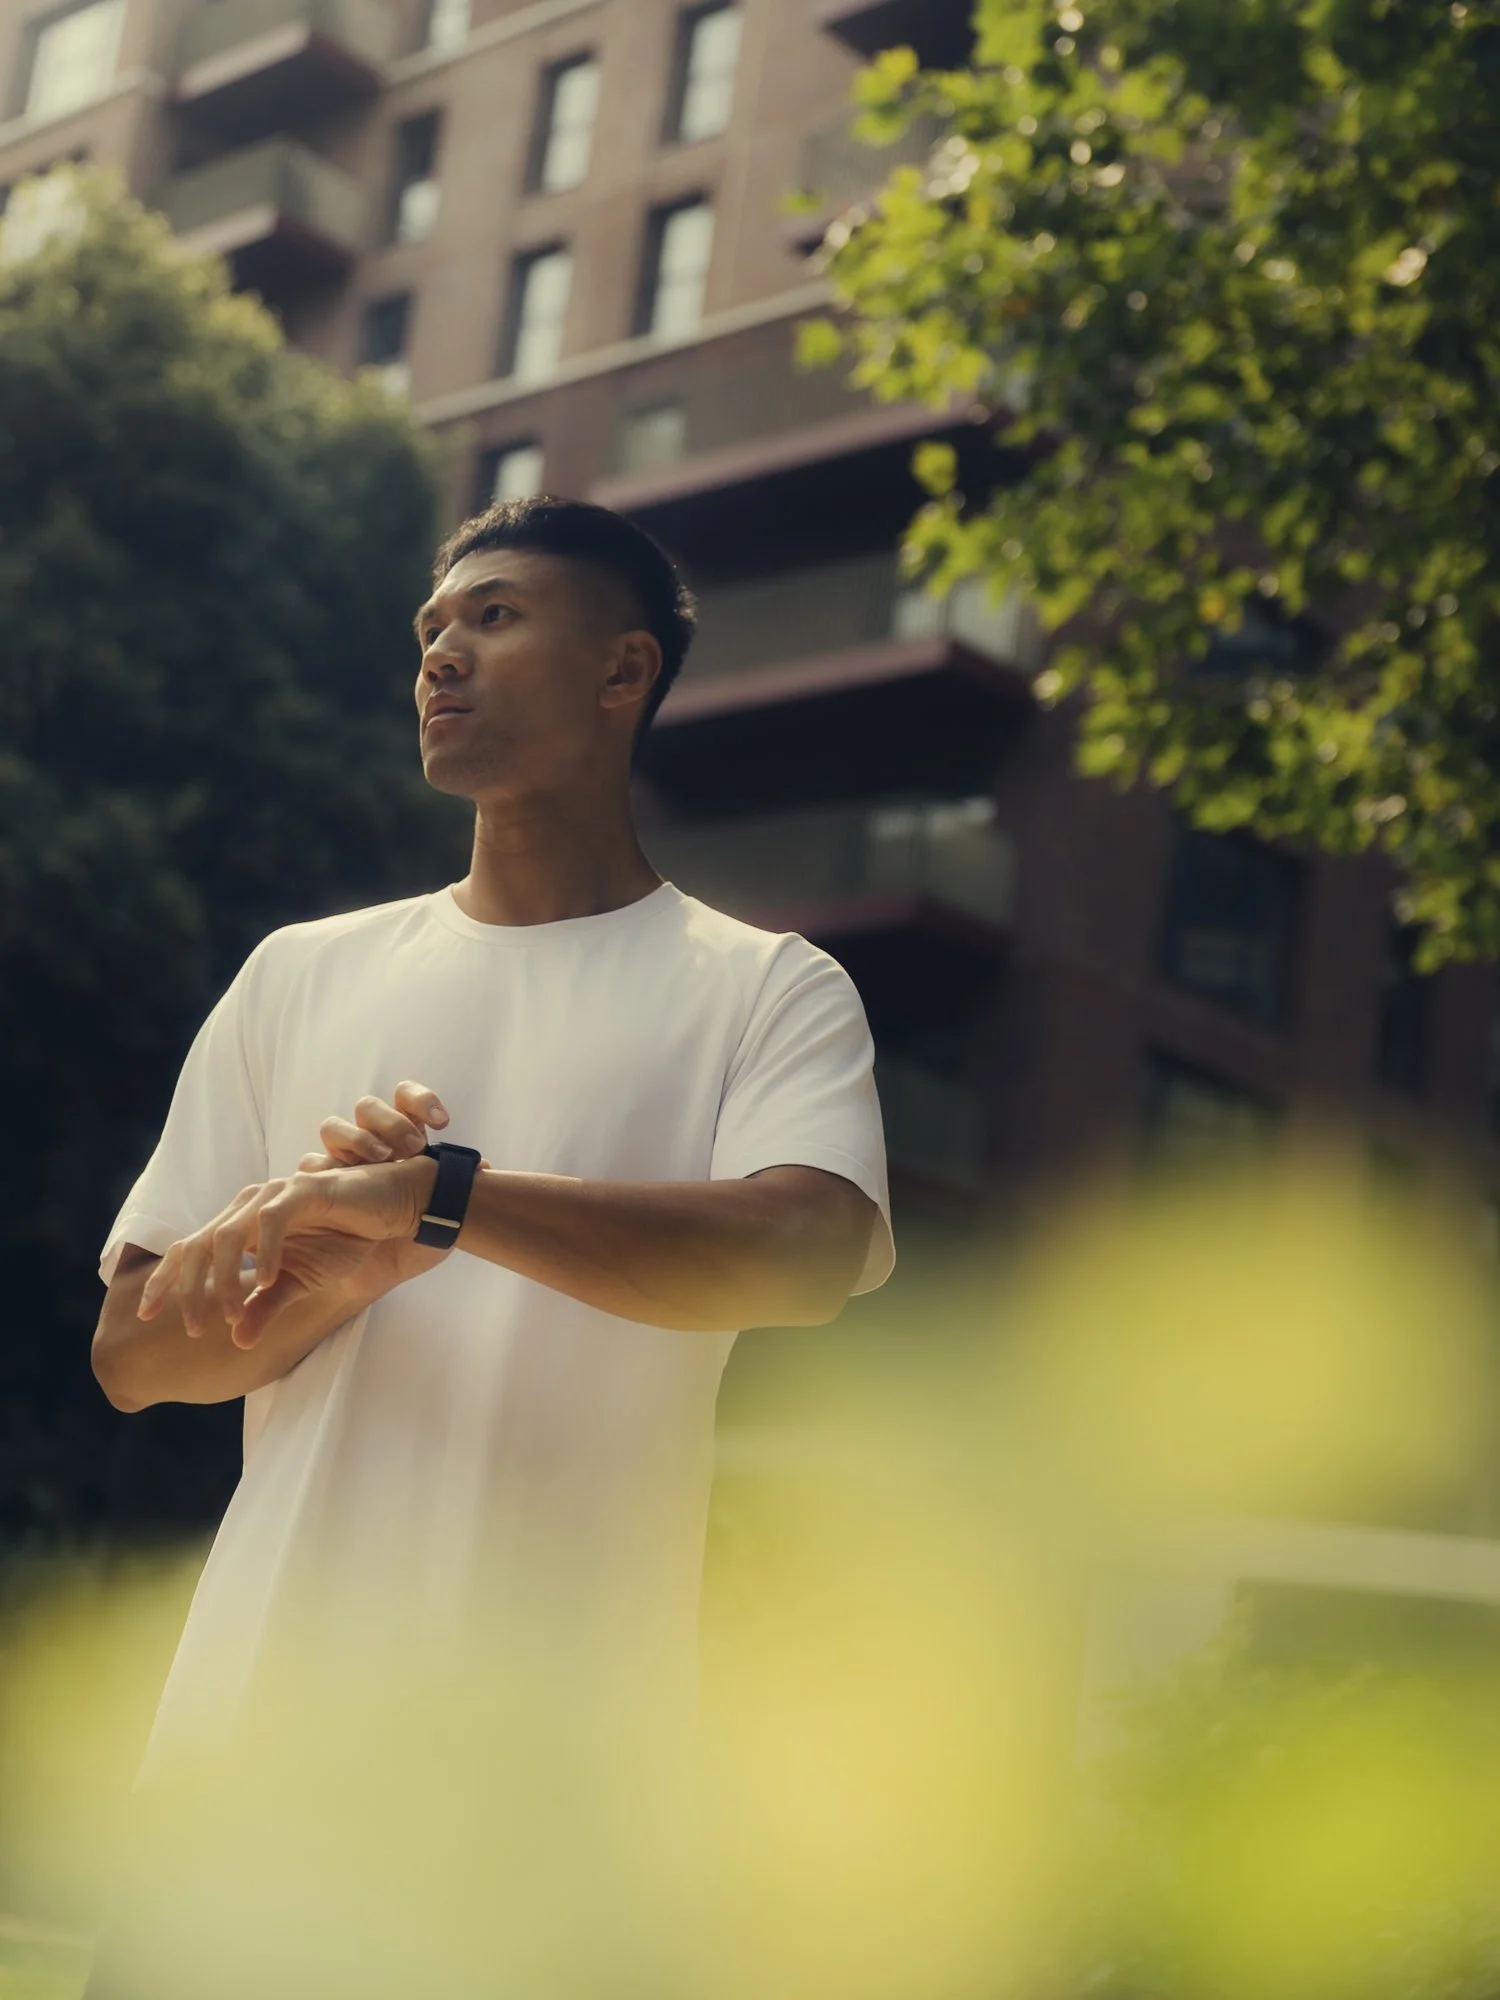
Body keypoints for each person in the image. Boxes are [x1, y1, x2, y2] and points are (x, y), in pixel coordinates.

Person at [91, 494, 894, 1788]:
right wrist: (320, 1288)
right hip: (243, 1748)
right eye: (431, 628)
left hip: (547, 1786)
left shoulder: (766, 987)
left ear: (624, 670)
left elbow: (805, 1249)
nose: (440, 654)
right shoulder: (297, 972)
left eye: (496, 616)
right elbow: (132, 1357)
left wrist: (435, 1200)